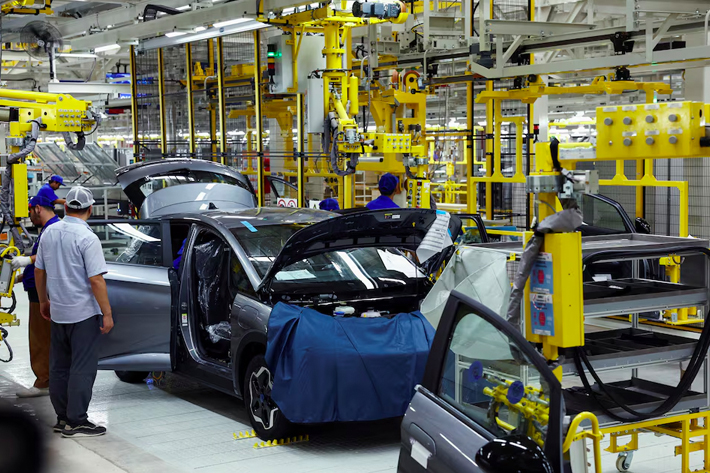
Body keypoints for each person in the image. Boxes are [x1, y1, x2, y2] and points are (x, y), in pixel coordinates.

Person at [35, 186, 113, 438]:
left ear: (65, 207)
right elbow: (97, 281)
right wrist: (107, 313)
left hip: (58, 311)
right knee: (82, 367)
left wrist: (43, 301)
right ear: (90, 209)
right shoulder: (88, 238)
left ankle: (62, 418)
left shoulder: (50, 232)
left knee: (59, 366)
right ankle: (77, 420)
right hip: (83, 315)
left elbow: (39, 270)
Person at [12, 196, 60, 398]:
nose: (30, 218)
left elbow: (46, 257)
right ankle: (47, 379)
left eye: (30, 212)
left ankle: (44, 382)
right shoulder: (48, 229)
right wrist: (20, 278)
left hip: (43, 295)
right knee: (43, 338)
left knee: (40, 339)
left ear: (37, 208)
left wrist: (25, 260)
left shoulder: (53, 228)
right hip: (37, 291)